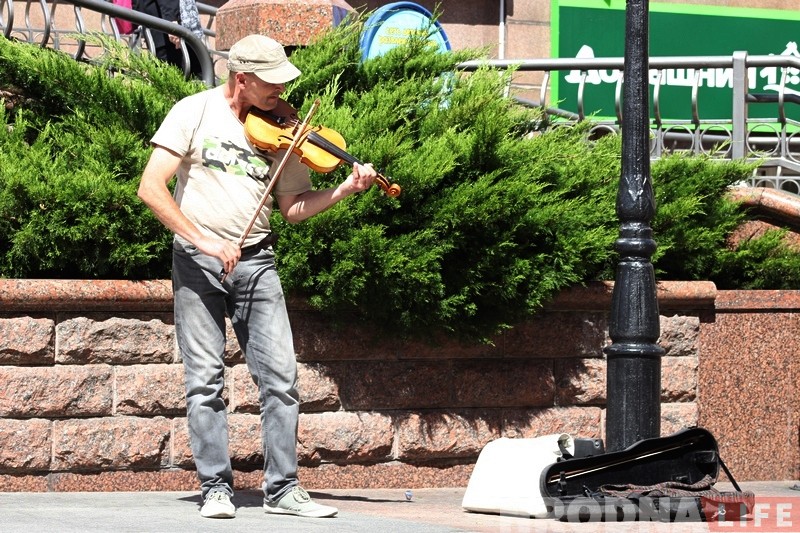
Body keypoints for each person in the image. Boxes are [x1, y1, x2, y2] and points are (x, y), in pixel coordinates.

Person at [137, 34, 378, 519]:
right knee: (205, 380)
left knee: (282, 381)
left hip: (257, 262)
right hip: (197, 262)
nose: (281, 93)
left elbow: (293, 208)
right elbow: (150, 187)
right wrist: (204, 240)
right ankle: (215, 489)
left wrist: (346, 190)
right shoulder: (194, 111)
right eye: (271, 84)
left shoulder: (283, 126)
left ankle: (283, 489)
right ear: (241, 79)